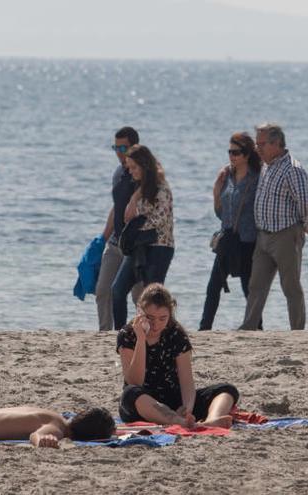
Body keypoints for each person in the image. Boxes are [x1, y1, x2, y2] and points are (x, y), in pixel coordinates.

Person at [117, 284, 239, 427]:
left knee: (227, 390)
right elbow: (134, 381)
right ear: (140, 312)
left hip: (174, 400)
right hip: (143, 404)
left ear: (170, 315)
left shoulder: (176, 333)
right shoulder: (127, 334)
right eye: (150, 318)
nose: (156, 325)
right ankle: (181, 422)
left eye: (163, 319)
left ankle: (212, 420)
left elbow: (186, 381)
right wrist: (141, 339)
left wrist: (187, 409)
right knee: (130, 393)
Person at [240, 123, 308, 331]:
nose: (257, 148)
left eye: (261, 144)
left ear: (277, 144)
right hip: (263, 235)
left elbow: (305, 201)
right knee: (256, 285)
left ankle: (297, 331)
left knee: (290, 286)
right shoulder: (267, 166)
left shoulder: (292, 169)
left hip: (285, 235)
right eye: (257, 144)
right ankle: (249, 327)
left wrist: (306, 224)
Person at [199, 132, 261, 330]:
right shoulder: (226, 176)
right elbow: (222, 214)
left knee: (248, 288)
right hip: (227, 239)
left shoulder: (257, 178)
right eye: (230, 152)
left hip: (247, 242)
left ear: (247, 154)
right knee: (213, 286)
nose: (232, 156)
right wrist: (216, 193)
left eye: (236, 152)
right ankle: (204, 328)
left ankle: (256, 327)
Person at [111, 145, 175, 330]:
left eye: (134, 168)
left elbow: (161, 219)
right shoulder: (139, 186)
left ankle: (159, 334)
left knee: (154, 298)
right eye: (129, 168)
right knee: (117, 289)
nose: (130, 172)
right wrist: (132, 201)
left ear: (144, 166)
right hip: (140, 246)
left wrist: (135, 226)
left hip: (160, 247)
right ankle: (122, 333)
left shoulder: (161, 187)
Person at [96, 126, 143, 331]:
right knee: (102, 290)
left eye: (122, 149)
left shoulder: (144, 175)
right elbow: (117, 206)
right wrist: (102, 238)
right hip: (115, 242)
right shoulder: (118, 173)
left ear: (134, 147)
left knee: (138, 296)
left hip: (135, 245)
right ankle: (105, 334)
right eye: (115, 148)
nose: (118, 153)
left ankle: (144, 332)